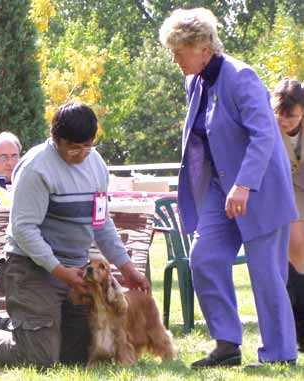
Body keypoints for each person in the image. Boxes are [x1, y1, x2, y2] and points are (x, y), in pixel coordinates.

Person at [0, 103, 150, 369]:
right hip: (30, 268)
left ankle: (12, 328)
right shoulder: (36, 167)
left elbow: (101, 223)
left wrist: (126, 267)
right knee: (41, 359)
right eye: (73, 147)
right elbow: (23, 229)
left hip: (76, 272)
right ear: (55, 138)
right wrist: (59, 271)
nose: (80, 154)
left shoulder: (97, 165)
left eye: (87, 146)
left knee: (78, 356)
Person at [159, 8, 298, 368]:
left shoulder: (242, 77)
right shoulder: (195, 82)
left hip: (260, 188)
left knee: (266, 273)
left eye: (180, 50)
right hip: (222, 190)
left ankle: (279, 355)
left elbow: (264, 135)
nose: (175, 59)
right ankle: (227, 344)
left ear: (203, 47)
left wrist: (244, 184)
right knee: (204, 259)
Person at [272, 78, 304, 352]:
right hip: (278, 194)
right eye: (279, 114)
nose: (283, 120)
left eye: (290, 116)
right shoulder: (268, 129)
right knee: (295, 254)